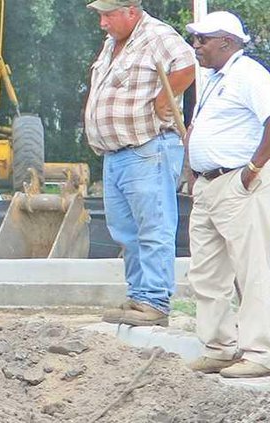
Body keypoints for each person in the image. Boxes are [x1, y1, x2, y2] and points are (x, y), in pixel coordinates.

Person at [184, 12, 270, 378]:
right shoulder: (215, 79)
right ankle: (218, 347)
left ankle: (259, 352)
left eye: (203, 39)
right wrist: (194, 173)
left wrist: (253, 170)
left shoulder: (249, 75)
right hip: (211, 184)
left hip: (237, 183)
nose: (196, 45)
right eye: (195, 39)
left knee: (249, 269)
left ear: (226, 42)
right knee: (206, 273)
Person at [84, 0, 195, 326]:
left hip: (147, 148)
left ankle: (155, 300)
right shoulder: (112, 44)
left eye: (108, 15)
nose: (102, 22)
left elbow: (187, 65)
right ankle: (139, 297)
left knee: (153, 227)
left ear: (131, 11)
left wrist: (164, 97)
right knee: (125, 231)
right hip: (116, 154)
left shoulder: (156, 34)